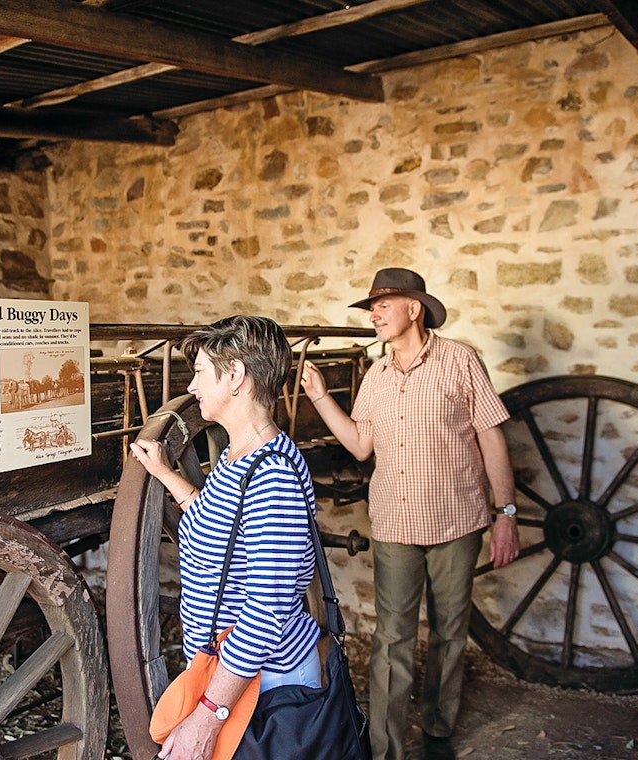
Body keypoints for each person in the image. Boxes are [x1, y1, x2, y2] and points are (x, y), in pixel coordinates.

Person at [300, 268, 521, 760]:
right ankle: (385, 750)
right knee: (392, 639)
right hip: (396, 525)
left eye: (384, 305)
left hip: (456, 522)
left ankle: (439, 732)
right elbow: (360, 445)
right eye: (372, 307)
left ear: (414, 308)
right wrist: (319, 397)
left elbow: (491, 438)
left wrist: (506, 513)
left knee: (449, 632)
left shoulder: (460, 361)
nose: (374, 314)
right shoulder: (376, 375)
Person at [129, 315, 322, 760]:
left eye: (199, 372)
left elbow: (267, 610)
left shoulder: (272, 476)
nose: (192, 386)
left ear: (234, 375)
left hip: (266, 693)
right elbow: (219, 526)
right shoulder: (240, 456)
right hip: (236, 680)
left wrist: (209, 714)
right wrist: (166, 473)